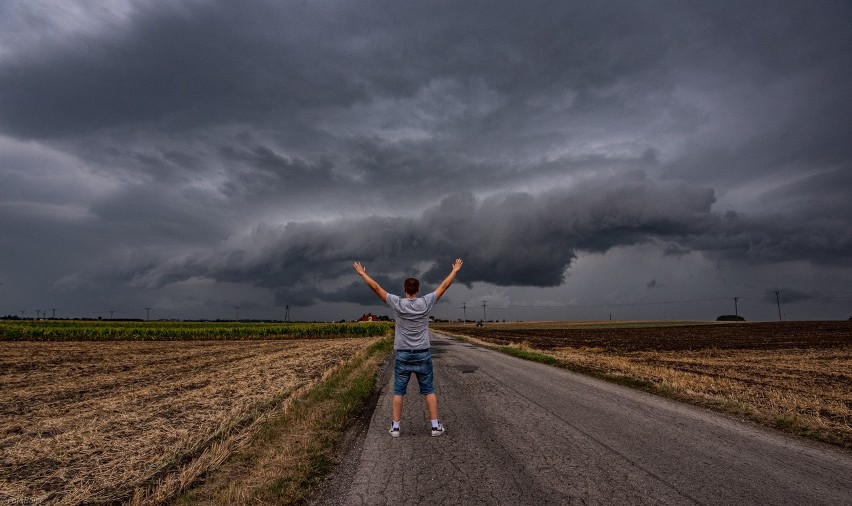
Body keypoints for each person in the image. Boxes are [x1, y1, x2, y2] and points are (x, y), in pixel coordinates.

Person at [353, 259, 463, 437]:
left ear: (405, 290)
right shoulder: (426, 302)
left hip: (403, 354)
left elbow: (376, 288)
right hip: (422, 354)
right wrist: (455, 270)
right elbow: (444, 286)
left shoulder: (397, 303)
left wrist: (362, 273)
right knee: (428, 390)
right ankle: (435, 426)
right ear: (417, 290)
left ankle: (395, 427)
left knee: (399, 391)